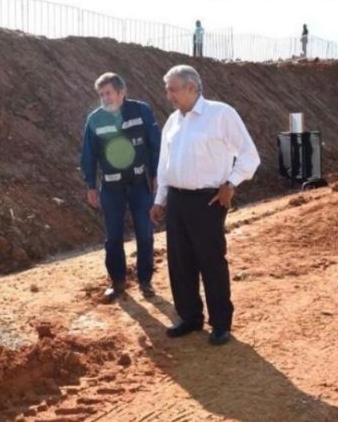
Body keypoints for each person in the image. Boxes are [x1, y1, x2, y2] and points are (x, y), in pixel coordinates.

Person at [149, 65, 260, 346]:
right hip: (176, 199)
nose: (168, 95)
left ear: (192, 87)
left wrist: (231, 183)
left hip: (208, 200)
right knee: (180, 261)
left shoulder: (220, 114)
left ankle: (220, 323)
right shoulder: (173, 122)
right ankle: (190, 317)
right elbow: (164, 165)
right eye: (167, 90)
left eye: (173, 89)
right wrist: (160, 200)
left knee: (210, 261)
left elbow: (249, 155)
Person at [81, 73, 161, 300]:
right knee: (113, 237)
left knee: (144, 233)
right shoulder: (95, 119)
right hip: (111, 187)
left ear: (121, 92)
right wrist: (91, 185)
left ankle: (145, 281)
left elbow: (155, 145)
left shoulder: (141, 111)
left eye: (108, 93)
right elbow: (89, 155)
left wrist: (156, 174)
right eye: (101, 94)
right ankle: (117, 282)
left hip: (139, 185)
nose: (105, 98)